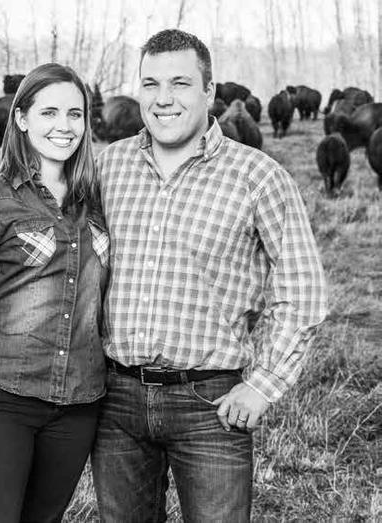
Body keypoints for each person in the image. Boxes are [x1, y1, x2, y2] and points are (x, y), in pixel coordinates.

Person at [90, 29, 329, 521]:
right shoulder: (105, 167)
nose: (163, 99)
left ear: (209, 91)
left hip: (211, 403)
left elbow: (302, 290)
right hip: (115, 399)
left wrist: (263, 384)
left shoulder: (258, 176)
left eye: (179, 83)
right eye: (151, 84)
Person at [0, 63, 110, 522]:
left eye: (75, 114)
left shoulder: (102, 202)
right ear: (22, 118)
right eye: (49, 112)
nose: (64, 127)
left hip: (78, 405)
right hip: (1, 397)